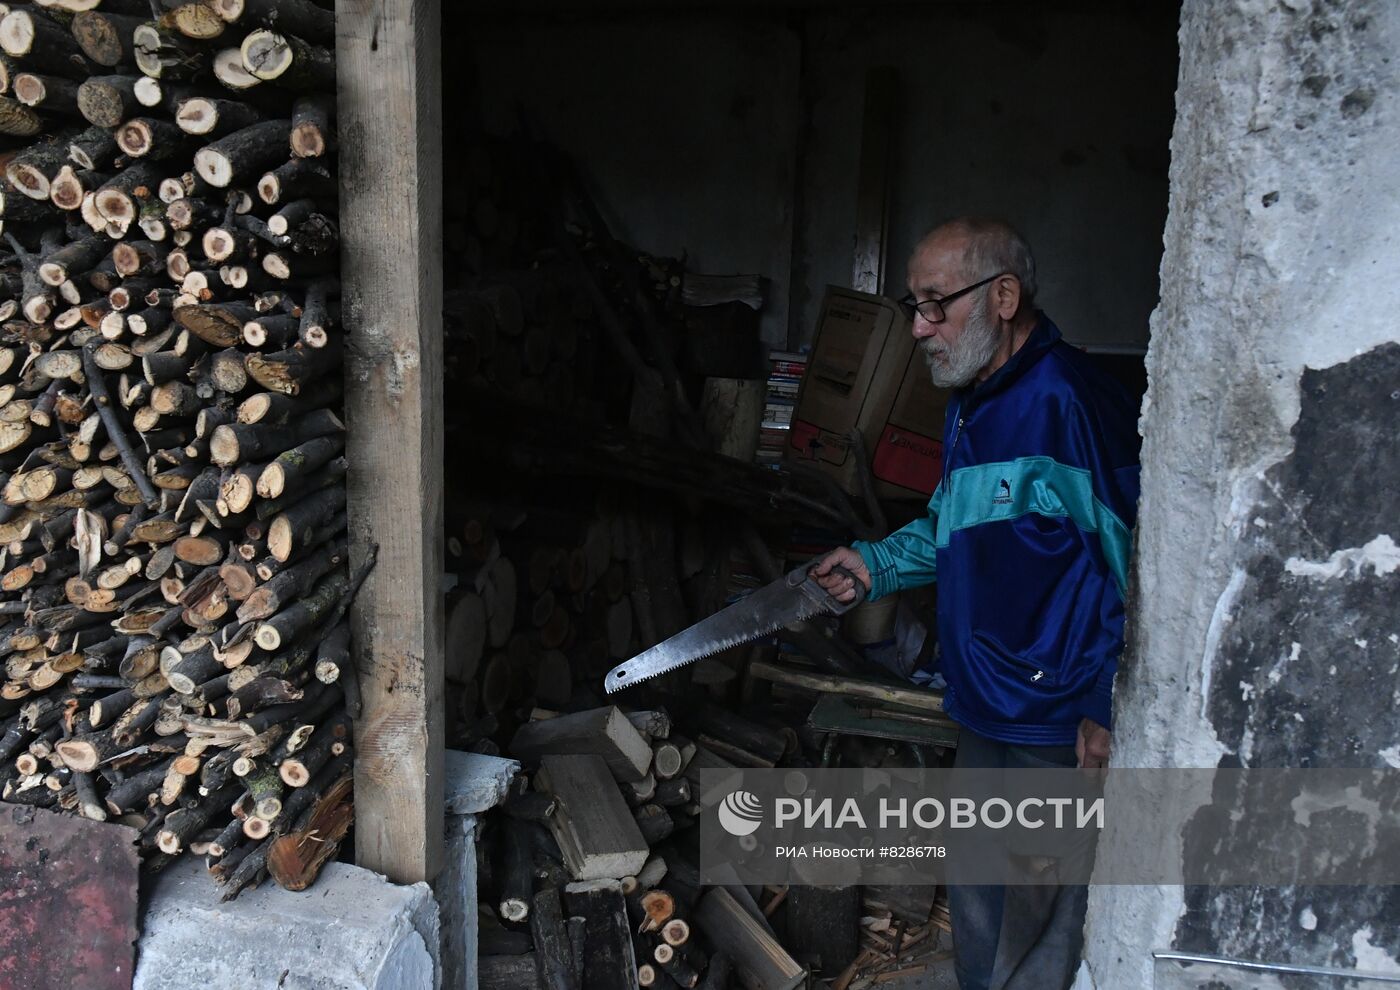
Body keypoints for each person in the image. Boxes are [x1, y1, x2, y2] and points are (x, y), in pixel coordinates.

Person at [813, 217, 1141, 990]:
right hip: (982, 701)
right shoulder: (969, 404)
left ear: (1002, 295)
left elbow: (1138, 558)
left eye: (935, 305)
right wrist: (873, 565)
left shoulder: (1070, 402)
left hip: (1051, 713)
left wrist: (1102, 698)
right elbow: (948, 526)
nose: (921, 328)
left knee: (1035, 924)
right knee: (981, 903)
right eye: (913, 307)